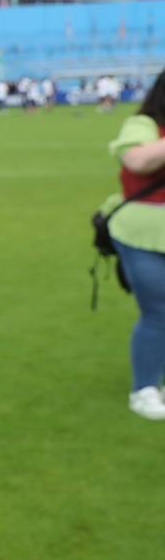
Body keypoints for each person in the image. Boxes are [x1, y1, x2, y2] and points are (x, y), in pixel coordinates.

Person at [104, 72, 165, 420]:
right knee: (159, 312)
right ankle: (144, 389)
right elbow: (138, 161)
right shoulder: (143, 124)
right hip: (142, 234)